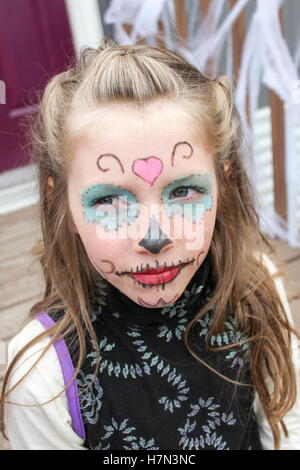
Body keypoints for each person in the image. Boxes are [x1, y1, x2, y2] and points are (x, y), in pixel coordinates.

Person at [1, 37, 299, 451]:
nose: (153, 237)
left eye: (183, 192)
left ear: (222, 184)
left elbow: (287, 427)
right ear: (62, 206)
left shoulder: (255, 287)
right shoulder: (43, 379)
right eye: (108, 200)